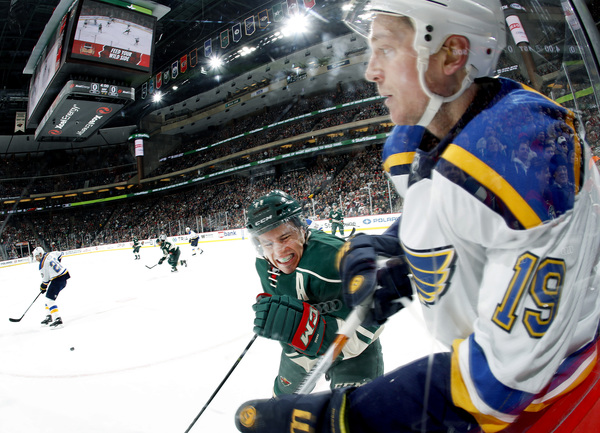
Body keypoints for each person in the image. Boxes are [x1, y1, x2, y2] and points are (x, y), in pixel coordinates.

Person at [235, 1, 600, 432]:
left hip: (555, 405)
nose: (371, 71)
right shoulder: (419, 140)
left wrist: (345, 417)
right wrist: (396, 251)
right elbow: (455, 215)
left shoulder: (525, 160)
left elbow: (502, 380)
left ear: (452, 53)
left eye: (386, 50)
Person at [244, 190, 386, 396]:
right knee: (282, 407)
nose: (279, 252)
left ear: (302, 229)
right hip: (300, 353)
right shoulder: (264, 263)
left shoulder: (336, 259)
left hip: (356, 353)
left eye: (285, 237)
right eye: (267, 243)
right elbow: (286, 319)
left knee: (354, 411)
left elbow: (372, 318)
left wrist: (313, 333)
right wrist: (279, 321)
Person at [33, 246, 69, 329]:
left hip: (58, 279)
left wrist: (43, 287)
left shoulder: (42, 264)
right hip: (63, 275)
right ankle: (48, 316)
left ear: (41, 254)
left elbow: (45, 281)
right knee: (48, 298)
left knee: (50, 300)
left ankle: (58, 320)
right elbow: (60, 254)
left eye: (37, 256)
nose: (36, 259)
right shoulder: (50, 254)